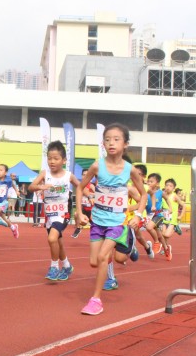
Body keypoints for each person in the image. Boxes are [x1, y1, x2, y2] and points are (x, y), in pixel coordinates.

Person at [76, 123, 146, 316]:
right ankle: (129, 244)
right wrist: (79, 212)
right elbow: (80, 187)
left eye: (116, 139)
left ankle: (96, 300)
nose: (111, 143)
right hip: (98, 221)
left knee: (102, 258)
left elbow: (143, 195)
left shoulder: (130, 169)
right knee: (94, 262)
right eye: (107, 140)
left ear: (125, 144)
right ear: (103, 144)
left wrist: (138, 215)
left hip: (117, 222)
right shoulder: (97, 166)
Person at [28, 141, 80, 281]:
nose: (52, 161)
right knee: (58, 242)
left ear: (64, 160)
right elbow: (31, 187)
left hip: (63, 213)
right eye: (49, 158)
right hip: (49, 214)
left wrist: (91, 195)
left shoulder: (68, 175)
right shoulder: (45, 174)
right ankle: (67, 266)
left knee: (52, 238)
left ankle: (54, 267)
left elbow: (80, 187)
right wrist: (41, 187)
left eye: (56, 158)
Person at [71, 168, 94, 238]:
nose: (85, 176)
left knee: (94, 223)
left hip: (91, 208)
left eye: (87, 175)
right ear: (81, 176)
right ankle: (78, 228)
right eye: (83, 175)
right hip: (83, 206)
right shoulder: (80, 185)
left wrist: (89, 194)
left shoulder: (91, 185)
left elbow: (97, 194)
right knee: (76, 214)